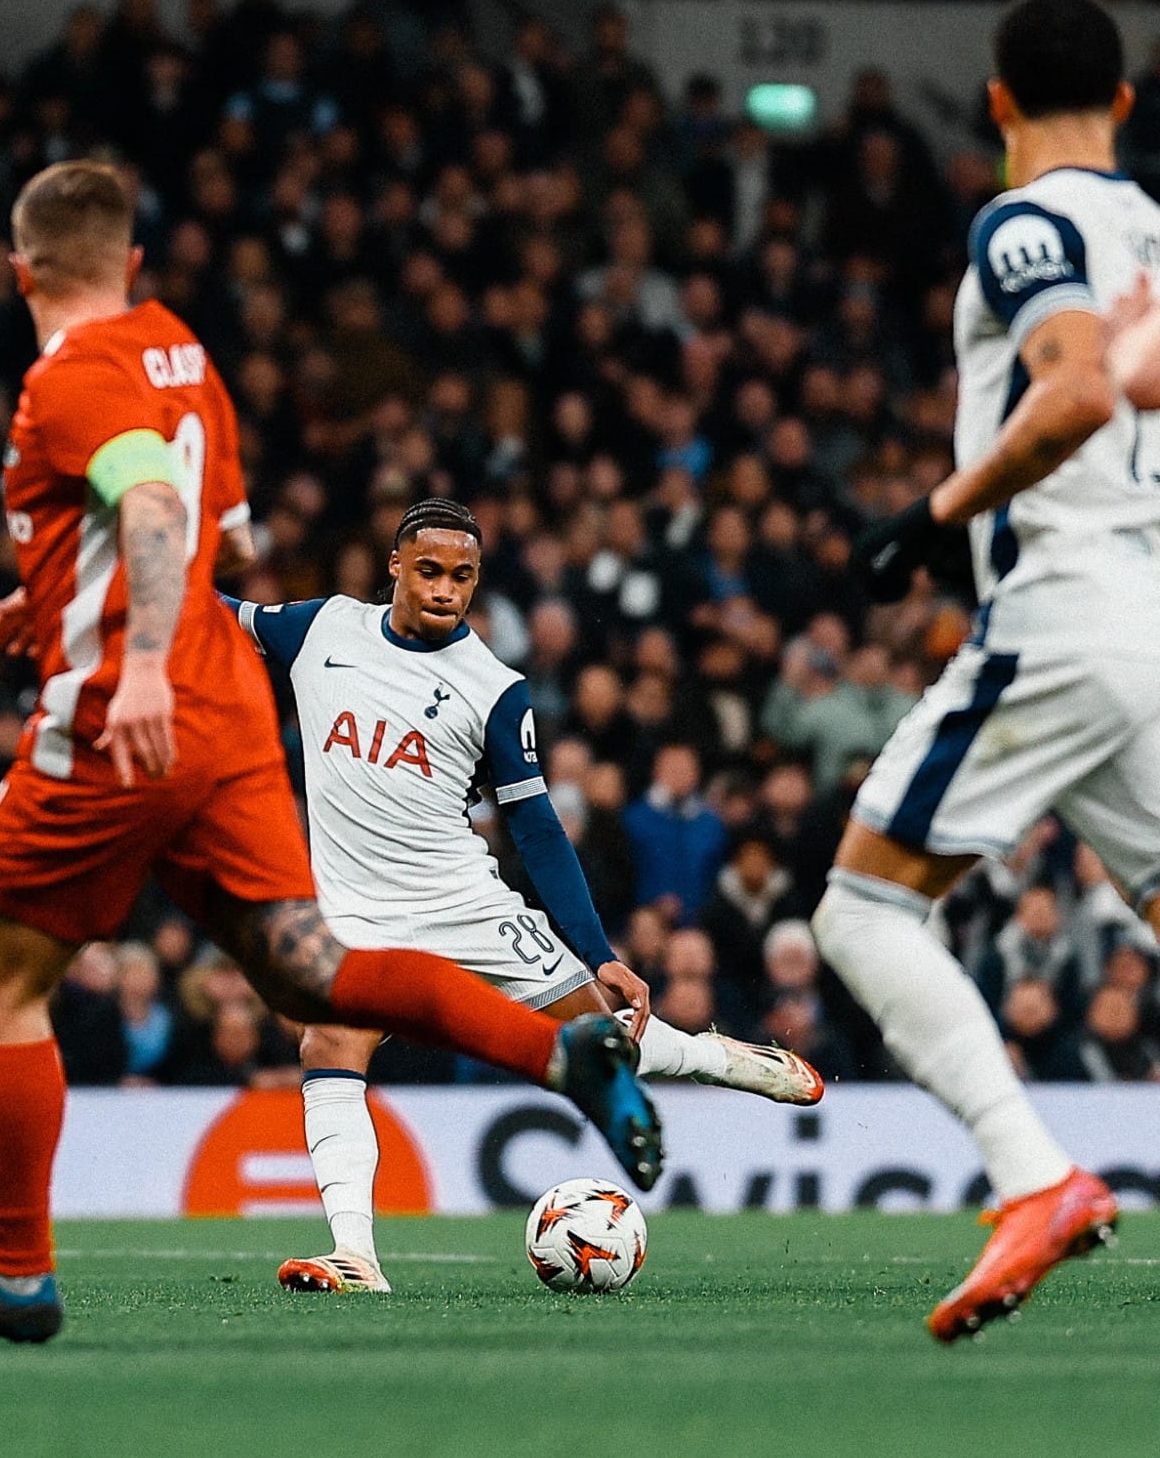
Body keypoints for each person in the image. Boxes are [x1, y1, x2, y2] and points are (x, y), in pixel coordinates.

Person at [0, 162, 660, 1346]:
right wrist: (50, 598)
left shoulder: (69, 376)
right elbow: (226, 537)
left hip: (121, 711)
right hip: (229, 714)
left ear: (16, 270)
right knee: (309, 971)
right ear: (135, 266)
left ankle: (17, 1274)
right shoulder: (184, 357)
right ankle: (559, 1050)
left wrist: (128, 656)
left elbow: (148, 508)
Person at [225, 499, 822, 1294]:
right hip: (359, 917)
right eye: (429, 571)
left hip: (465, 906)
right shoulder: (320, 629)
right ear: (395, 566)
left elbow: (536, 830)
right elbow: (215, 620)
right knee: (329, 1046)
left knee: (600, 1045)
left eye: (462, 576)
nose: (444, 589)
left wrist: (599, 953)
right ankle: (355, 1257)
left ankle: (722, 1058)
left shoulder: (493, 688)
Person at [817, 0, 1160, 1342]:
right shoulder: (1151, 233)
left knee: (857, 912)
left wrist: (930, 514)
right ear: (1122, 103)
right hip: (1145, 608)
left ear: (997, 99)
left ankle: (1032, 1178)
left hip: (1064, 607)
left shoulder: (1024, 222)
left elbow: (1072, 389)